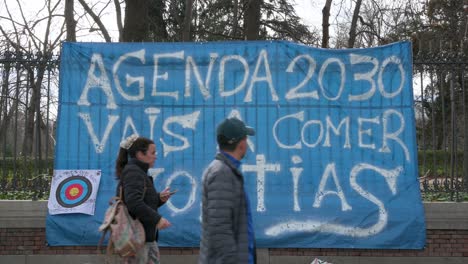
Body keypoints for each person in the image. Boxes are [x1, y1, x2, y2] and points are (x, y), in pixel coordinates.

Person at [199, 117, 257, 264]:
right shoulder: (221, 173)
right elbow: (219, 228)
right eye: (246, 138)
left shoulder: (226, 170)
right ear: (241, 143)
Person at [115, 134, 174, 264]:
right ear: (140, 154)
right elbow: (134, 203)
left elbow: (141, 201)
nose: (155, 156)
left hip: (143, 240)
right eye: (152, 152)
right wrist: (157, 219)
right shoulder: (134, 172)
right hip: (139, 242)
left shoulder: (138, 172)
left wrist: (159, 199)